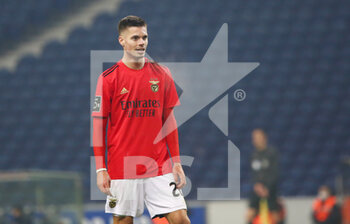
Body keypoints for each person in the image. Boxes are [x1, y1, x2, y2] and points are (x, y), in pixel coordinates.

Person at [92, 15, 190, 224]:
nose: (141, 42)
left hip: (159, 165)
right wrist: (101, 169)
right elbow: (98, 126)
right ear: (122, 41)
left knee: (181, 219)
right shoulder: (108, 79)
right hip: (122, 166)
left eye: (144, 37)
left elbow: (169, 121)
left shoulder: (162, 73)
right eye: (135, 38)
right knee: (123, 222)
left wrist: (177, 162)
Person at [246, 129, 280, 224]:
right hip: (257, 189)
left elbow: (275, 172)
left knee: (274, 215)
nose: (255, 140)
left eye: (258, 137)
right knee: (249, 214)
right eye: (254, 138)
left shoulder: (272, 153)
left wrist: (267, 188)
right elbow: (253, 174)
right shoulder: (253, 155)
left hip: (269, 190)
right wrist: (257, 185)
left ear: (264, 138)